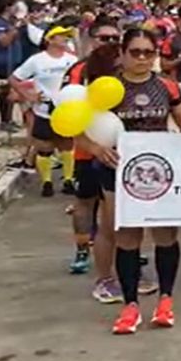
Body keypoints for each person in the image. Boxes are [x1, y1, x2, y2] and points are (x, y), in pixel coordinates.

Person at [79, 29, 181, 335]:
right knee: (127, 238)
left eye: (148, 53)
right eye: (135, 52)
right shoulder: (106, 89)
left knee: (165, 235)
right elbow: (77, 129)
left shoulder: (167, 86)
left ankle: (166, 300)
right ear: (122, 54)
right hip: (117, 173)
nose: (141, 58)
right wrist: (96, 148)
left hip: (160, 172)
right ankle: (130, 305)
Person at [60, 19, 123, 298]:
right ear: (91, 38)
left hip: (121, 152)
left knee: (118, 212)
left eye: (114, 38)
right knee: (86, 203)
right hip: (87, 151)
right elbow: (68, 115)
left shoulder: (126, 66)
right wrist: (92, 145)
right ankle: (82, 249)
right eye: (104, 38)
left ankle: (122, 257)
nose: (109, 43)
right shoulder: (78, 71)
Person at [10, 24, 79, 197]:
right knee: (44, 147)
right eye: (62, 35)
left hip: (65, 109)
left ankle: (68, 180)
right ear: (50, 39)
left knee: (67, 146)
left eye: (67, 36)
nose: (65, 38)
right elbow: (14, 78)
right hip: (44, 109)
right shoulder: (37, 60)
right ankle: (47, 182)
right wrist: (27, 95)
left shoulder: (71, 60)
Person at [0, 0, 22, 133]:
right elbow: (3, 41)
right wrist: (14, 30)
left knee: (13, 90)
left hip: (14, 59)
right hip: (4, 61)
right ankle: (4, 120)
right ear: (7, 7)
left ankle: (9, 118)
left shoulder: (9, 22)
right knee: (5, 90)